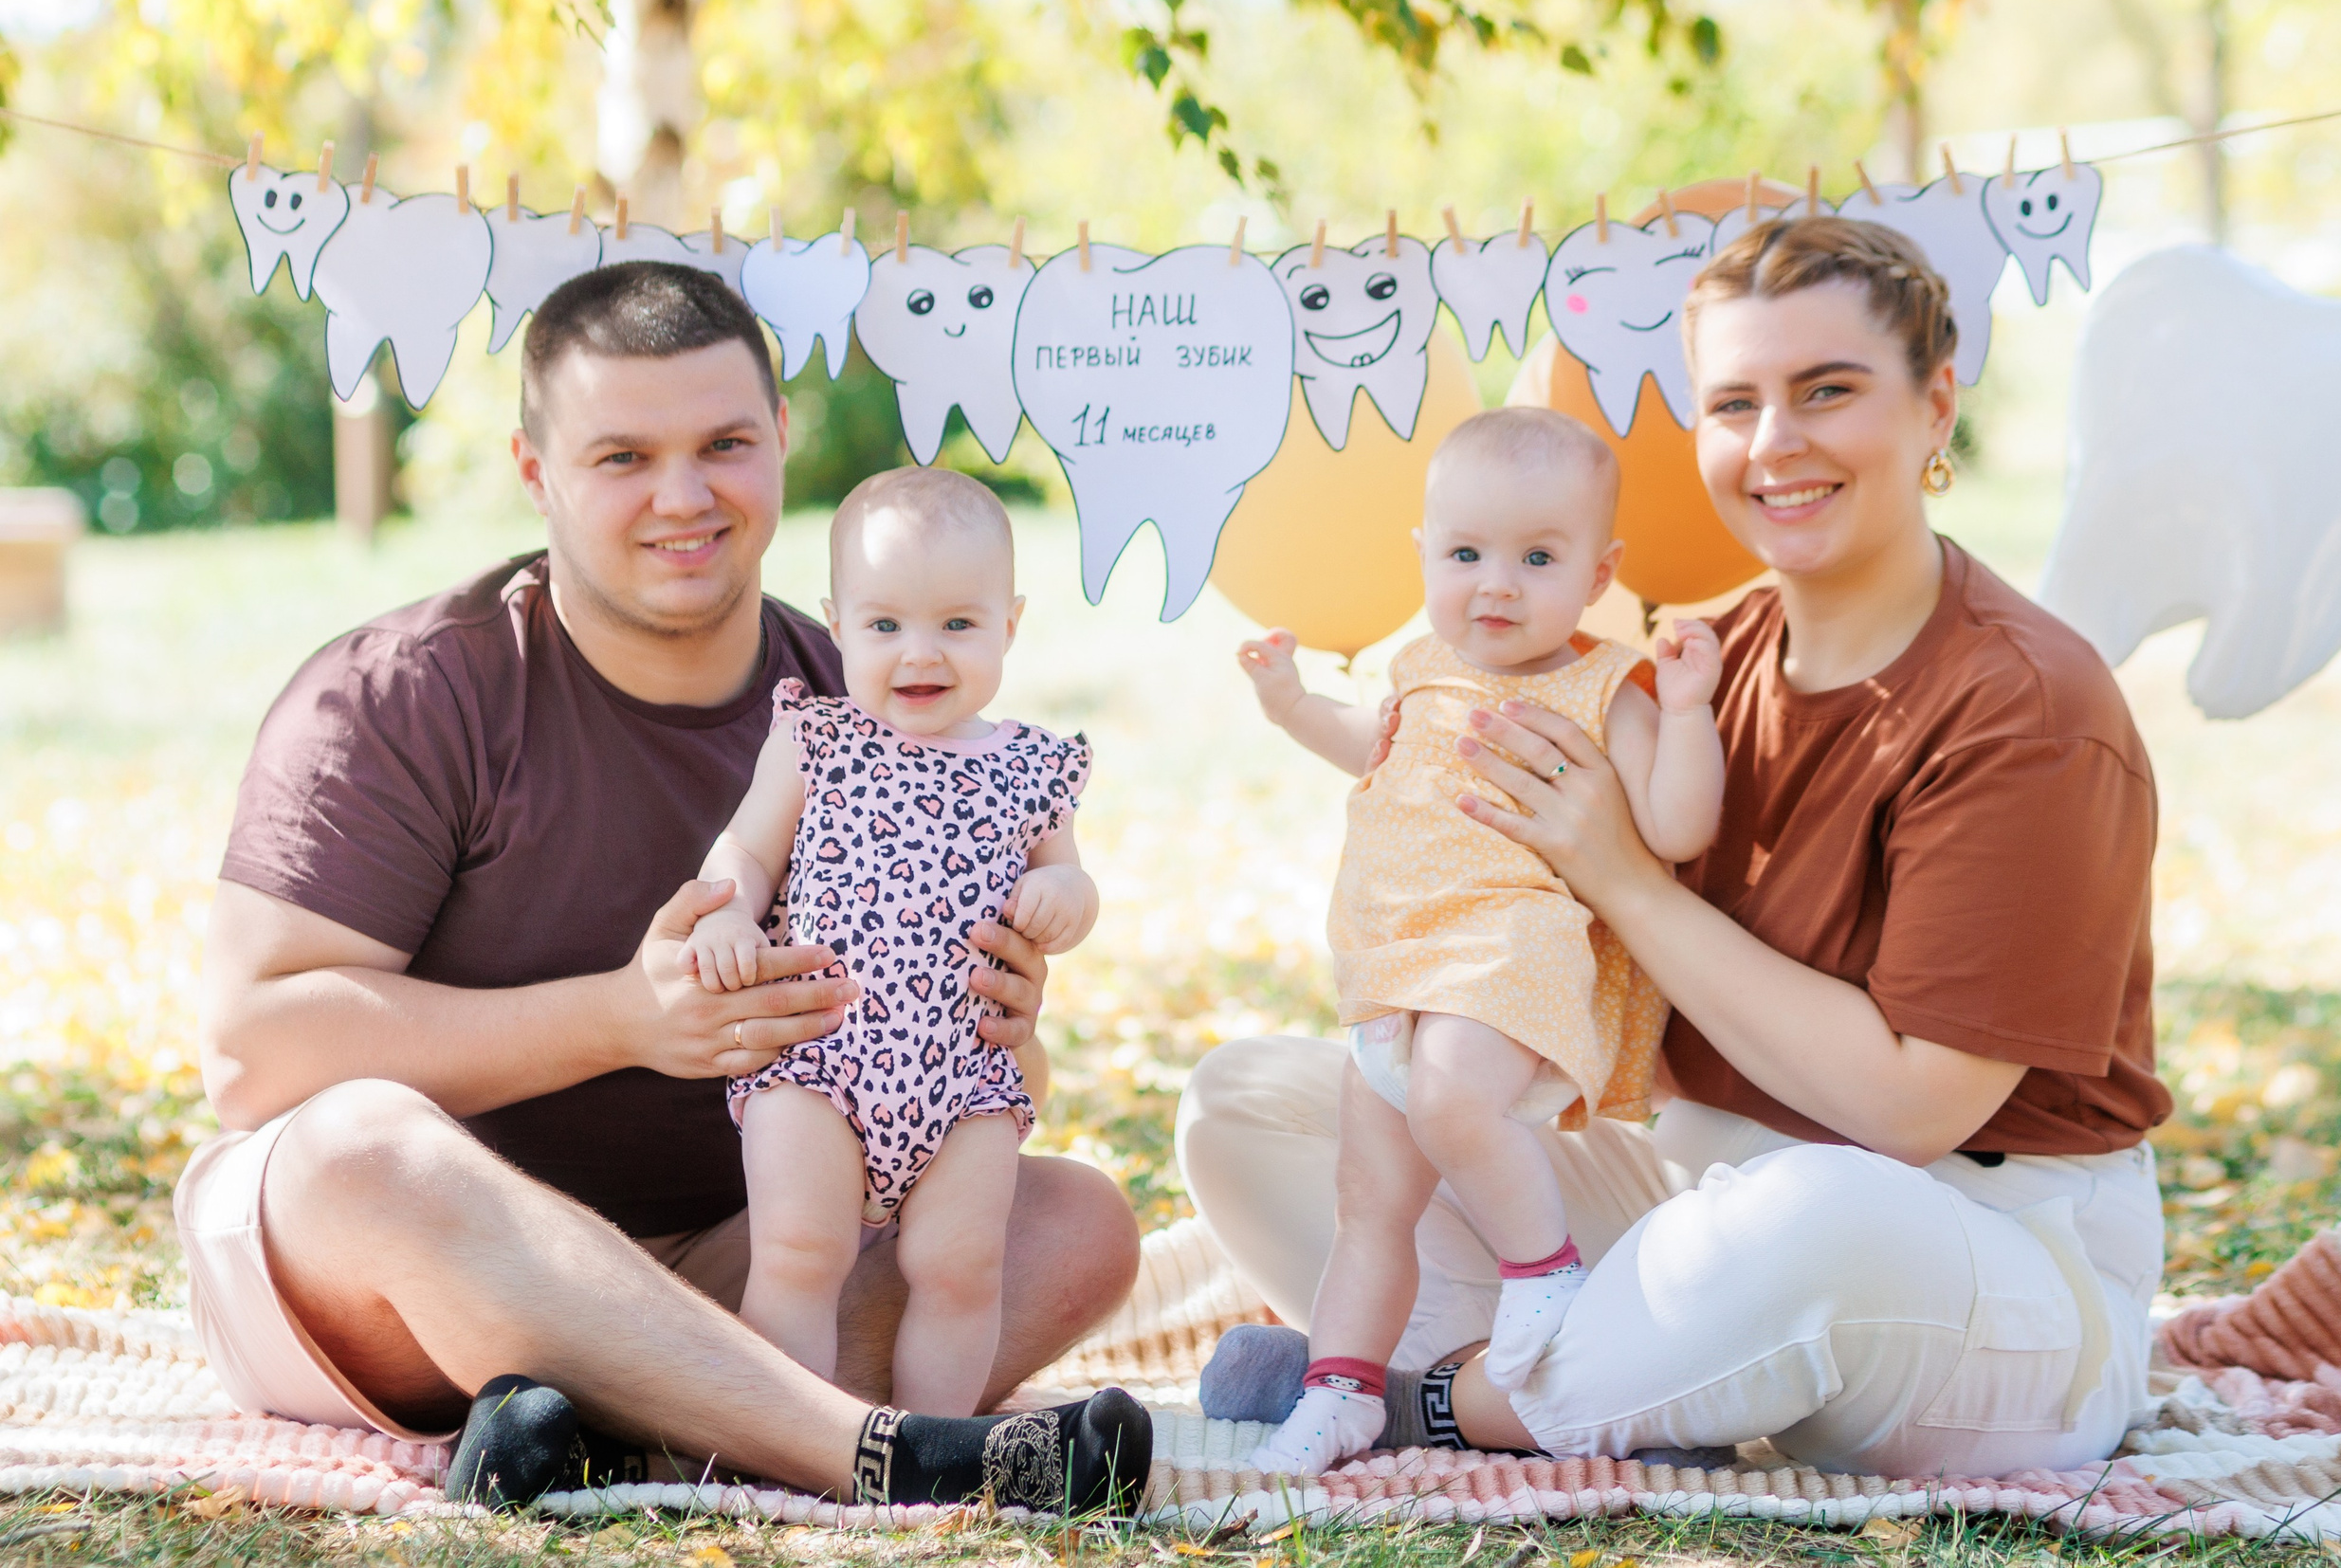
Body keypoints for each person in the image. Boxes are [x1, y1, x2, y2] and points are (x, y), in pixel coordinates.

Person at [1183, 216, 2172, 1480]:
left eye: (1827, 391)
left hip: (1979, 1240)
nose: (1776, 443)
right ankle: (1628, 1360)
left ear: (1935, 409)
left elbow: (1910, 1107)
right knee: (1250, 1105)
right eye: (1734, 401)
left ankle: (1448, 1400)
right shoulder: (1705, 663)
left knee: (1812, 1223)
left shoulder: (2025, 705)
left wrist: (1620, 874)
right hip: (1704, 1182)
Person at [177, 262, 1148, 1508]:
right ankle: (870, 1447)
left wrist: (1003, 1021)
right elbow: (254, 1054)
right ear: (536, 473)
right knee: (359, 1152)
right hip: (417, 1276)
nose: (683, 496)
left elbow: (959, 1073)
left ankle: (599, 1433)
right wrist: (627, 1016)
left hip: (734, 1257)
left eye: (726, 442)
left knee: (1072, 1219)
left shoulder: (874, 687)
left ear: (782, 440)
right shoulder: (406, 694)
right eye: (622, 455)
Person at [1230, 409, 1723, 1473]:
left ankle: (1544, 1273)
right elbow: (1370, 747)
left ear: (1600, 573)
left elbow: (1678, 827)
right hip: (1398, 965)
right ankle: (1343, 1389)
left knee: (1454, 1093)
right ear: (1422, 555)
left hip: (1508, 955)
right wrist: (1289, 706)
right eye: (1465, 554)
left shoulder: (1602, 689)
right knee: (1370, 1204)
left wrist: (1684, 713)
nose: (1495, 585)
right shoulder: (1419, 666)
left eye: (1537, 558)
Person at [686, 466, 1098, 1415]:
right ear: (837, 626)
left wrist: (1063, 897)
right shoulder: (815, 739)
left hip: (963, 1075)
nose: (922, 654)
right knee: (799, 1251)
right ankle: (788, 1440)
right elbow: (749, 846)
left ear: (1010, 624)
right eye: (885, 626)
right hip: (817, 1059)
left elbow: (1068, 875)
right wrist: (725, 910)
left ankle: (931, 1446)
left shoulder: (1031, 765)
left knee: (960, 1268)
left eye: (958, 624)